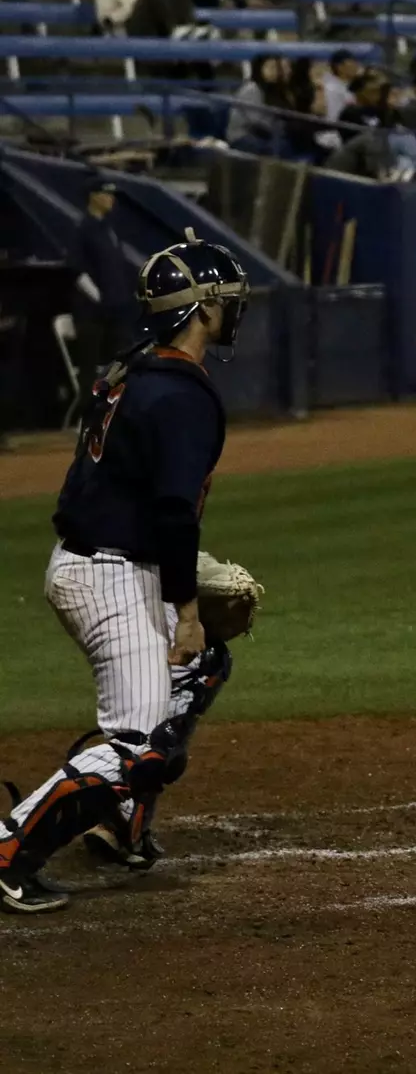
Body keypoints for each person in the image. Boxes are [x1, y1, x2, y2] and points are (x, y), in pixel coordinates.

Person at [0, 232, 249, 915]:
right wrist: (188, 610)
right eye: (225, 301)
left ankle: (120, 821)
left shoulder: (136, 370)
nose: (234, 310)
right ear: (200, 311)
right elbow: (173, 511)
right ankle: (9, 851)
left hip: (103, 558)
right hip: (106, 575)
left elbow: (117, 495)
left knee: (197, 671)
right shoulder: (180, 396)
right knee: (139, 745)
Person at [66, 179, 136, 420]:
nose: (111, 199)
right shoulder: (83, 228)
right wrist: (100, 298)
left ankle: (118, 415)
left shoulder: (109, 228)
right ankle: (89, 419)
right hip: (91, 313)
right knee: (89, 367)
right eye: (106, 194)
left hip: (117, 309)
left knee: (120, 363)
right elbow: (76, 271)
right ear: (93, 196)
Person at [226, 53, 288, 155]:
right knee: (271, 148)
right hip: (242, 136)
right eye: (270, 67)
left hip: (264, 135)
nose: (274, 72)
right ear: (260, 68)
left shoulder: (274, 90)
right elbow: (256, 122)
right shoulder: (252, 88)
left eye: (277, 68)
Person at [321, 49, 360, 121]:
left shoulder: (348, 86)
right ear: (339, 67)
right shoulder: (332, 88)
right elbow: (332, 117)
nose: (356, 67)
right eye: (352, 63)